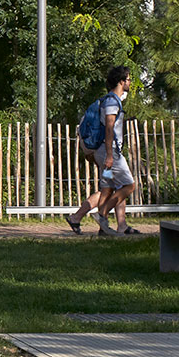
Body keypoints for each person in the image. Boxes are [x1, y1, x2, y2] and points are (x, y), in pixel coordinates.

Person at [66, 66, 141, 237]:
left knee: (108, 188)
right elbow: (108, 128)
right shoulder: (112, 102)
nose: (130, 82)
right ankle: (102, 215)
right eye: (128, 79)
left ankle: (98, 225)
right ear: (121, 82)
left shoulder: (111, 100)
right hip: (110, 153)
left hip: (104, 152)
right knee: (129, 185)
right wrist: (109, 155)